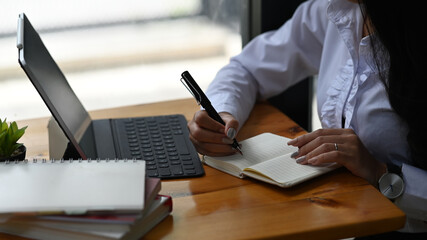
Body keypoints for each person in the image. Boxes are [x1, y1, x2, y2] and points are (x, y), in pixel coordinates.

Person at [187, 0, 427, 238]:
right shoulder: (334, 10)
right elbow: (247, 69)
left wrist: (380, 173)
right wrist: (222, 114)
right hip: (349, 217)